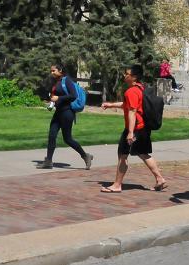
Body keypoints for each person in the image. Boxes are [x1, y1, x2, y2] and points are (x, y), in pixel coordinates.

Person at [99, 65, 167, 193]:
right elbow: (127, 105)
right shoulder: (140, 89)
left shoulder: (131, 91)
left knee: (122, 156)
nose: (125, 76)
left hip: (134, 129)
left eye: (127, 74)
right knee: (143, 154)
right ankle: (160, 179)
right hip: (143, 128)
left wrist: (130, 133)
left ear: (134, 77)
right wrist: (111, 104)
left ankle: (117, 185)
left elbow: (132, 111)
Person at [38, 64, 93, 170]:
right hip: (58, 112)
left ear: (60, 70)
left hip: (67, 112)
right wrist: (51, 99)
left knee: (67, 139)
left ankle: (86, 156)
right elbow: (54, 95)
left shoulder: (66, 80)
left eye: (54, 71)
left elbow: (73, 95)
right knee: (52, 135)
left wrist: (58, 98)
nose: (52, 73)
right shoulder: (55, 82)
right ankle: (49, 161)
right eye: (51, 71)